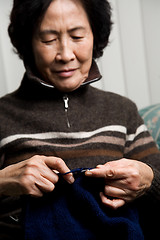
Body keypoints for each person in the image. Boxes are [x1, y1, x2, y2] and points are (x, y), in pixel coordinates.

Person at [0, 0, 160, 239]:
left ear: (95, 36)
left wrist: (148, 179)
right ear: (28, 43)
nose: (65, 55)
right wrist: (3, 181)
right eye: (48, 39)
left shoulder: (121, 110)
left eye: (77, 36)